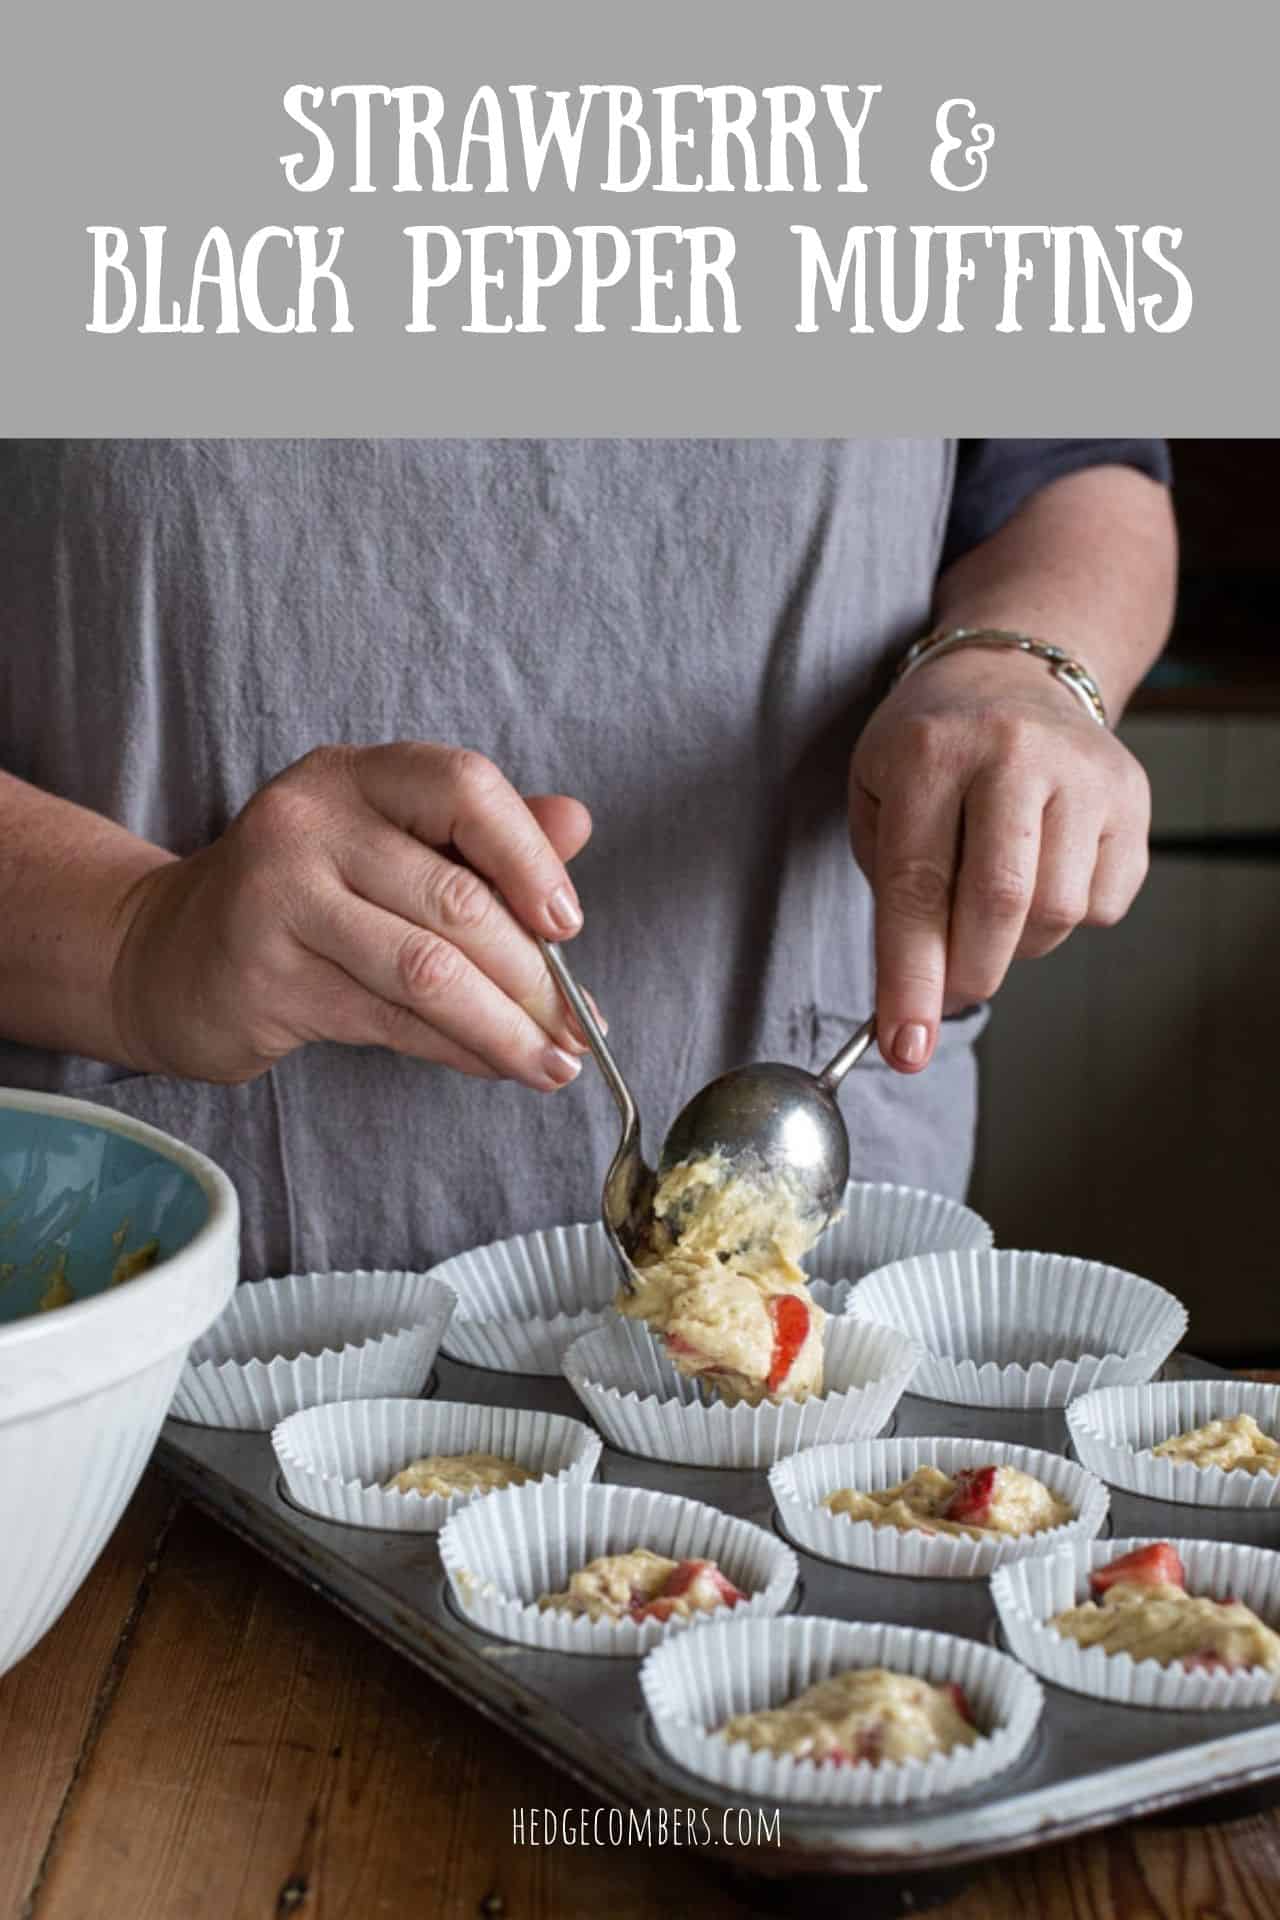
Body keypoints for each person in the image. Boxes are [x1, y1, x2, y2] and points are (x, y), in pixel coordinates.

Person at [0, 440, 1175, 1278]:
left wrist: (1021, 661)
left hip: (835, 1301)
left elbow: (1072, 468)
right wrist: (131, 937)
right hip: (128, 1316)